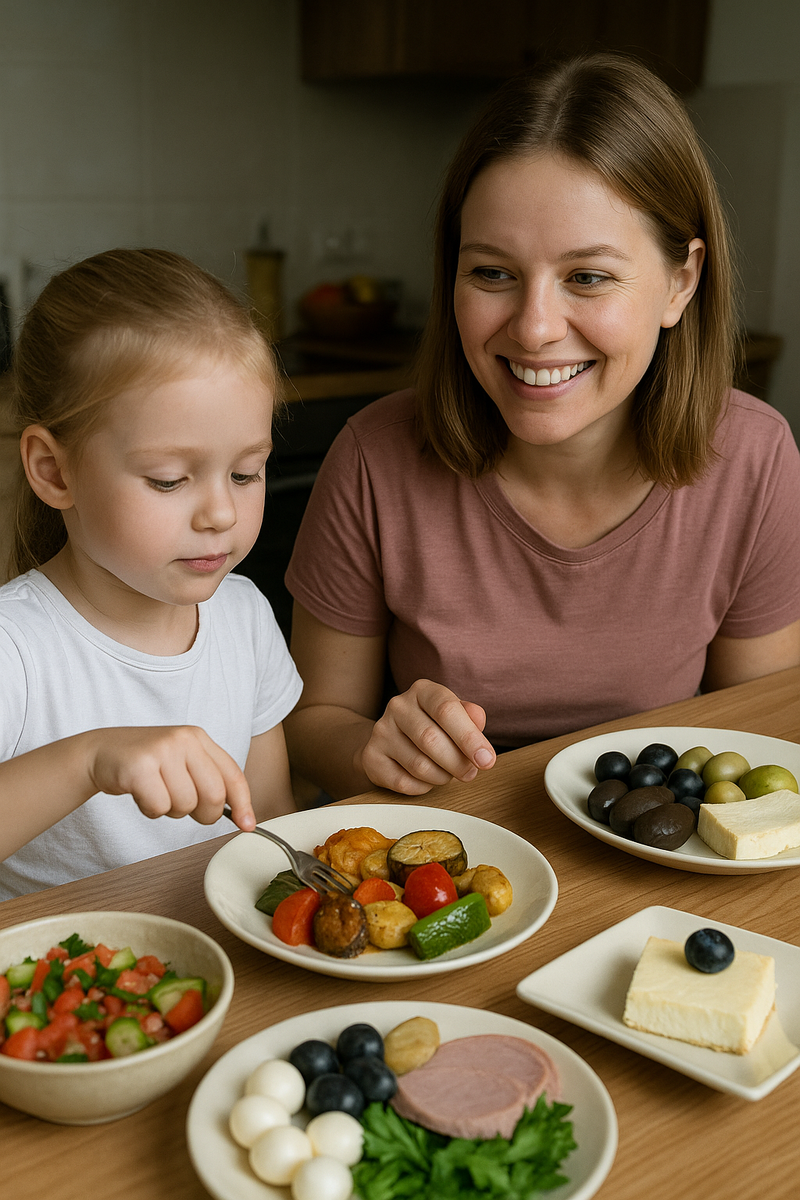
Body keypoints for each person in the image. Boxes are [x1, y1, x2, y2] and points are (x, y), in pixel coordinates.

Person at [283, 53, 800, 802]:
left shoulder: (755, 458)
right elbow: (312, 725)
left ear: (681, 282)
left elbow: (754, 745)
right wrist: (374, 748)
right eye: (491, 273)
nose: (532, 329)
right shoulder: (374, 456)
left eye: (587, 277)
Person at [0, 248, 302, 898]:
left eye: (246, 472)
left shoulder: (244, 616)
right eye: (169, 480)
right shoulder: (15, 648)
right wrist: (88, 761)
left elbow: (272, 816)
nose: (221, 512)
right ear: (54, 471)